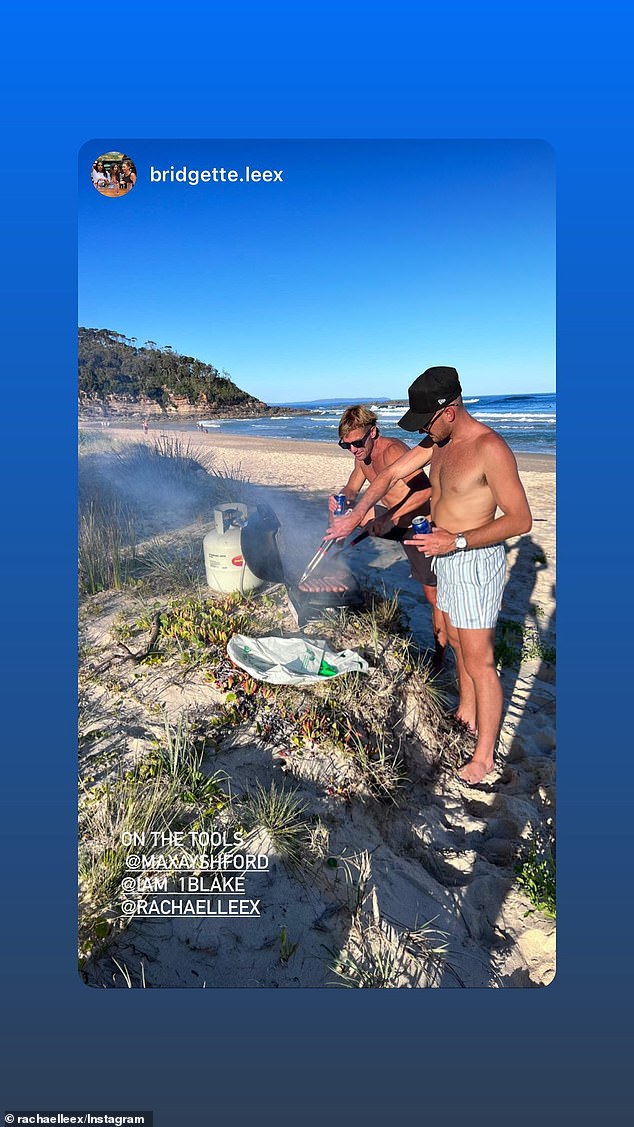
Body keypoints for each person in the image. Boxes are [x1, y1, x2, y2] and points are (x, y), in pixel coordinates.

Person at [326, 367, 532, 785]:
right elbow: (386, 476)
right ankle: (467, 712)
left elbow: (521, 520)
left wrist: (454, 542)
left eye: (426, 421)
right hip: (445, 555)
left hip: (472, 558)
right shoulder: (436, 442)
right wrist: (356, 517)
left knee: (481, 659)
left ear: (450, 410)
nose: (422, 430)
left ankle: (484, 756)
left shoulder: (489, 448)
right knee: (456, 641)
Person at [330, 405, 447, 669]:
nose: (353, 450)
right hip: (390, 517)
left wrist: (389, 518)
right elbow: (351, 489)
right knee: (346, 519)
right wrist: (340, 500)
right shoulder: (361, 456)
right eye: (345, 445)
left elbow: (424, 492)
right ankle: (330, 559)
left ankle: (440, 654)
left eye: (357, 443)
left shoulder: (392, 450)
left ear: (374, 432)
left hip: (417, 523)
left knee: (432, 595)